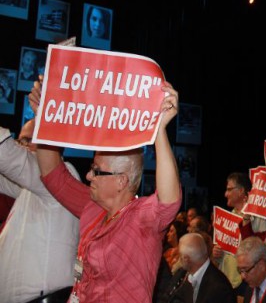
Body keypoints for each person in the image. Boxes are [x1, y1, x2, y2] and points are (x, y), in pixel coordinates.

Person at [29, 78, 182, 302]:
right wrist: (43, 118)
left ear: (121, 181)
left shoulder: (142, 218)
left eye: (96, 171)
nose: (88, 175)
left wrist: (159, 131)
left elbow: (169, 200)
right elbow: (53, 175)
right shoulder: (93, 208)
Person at [0, 119, 80, 303]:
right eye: (21, 140)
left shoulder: (63, 176)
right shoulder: (30, 187)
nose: (22, 146)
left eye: (28, 140)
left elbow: (8, 157)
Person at [165, 232, 235, 303]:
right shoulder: (182, 273)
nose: (179, 260)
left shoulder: (219, 288)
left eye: (180, 256)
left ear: (186, 259)